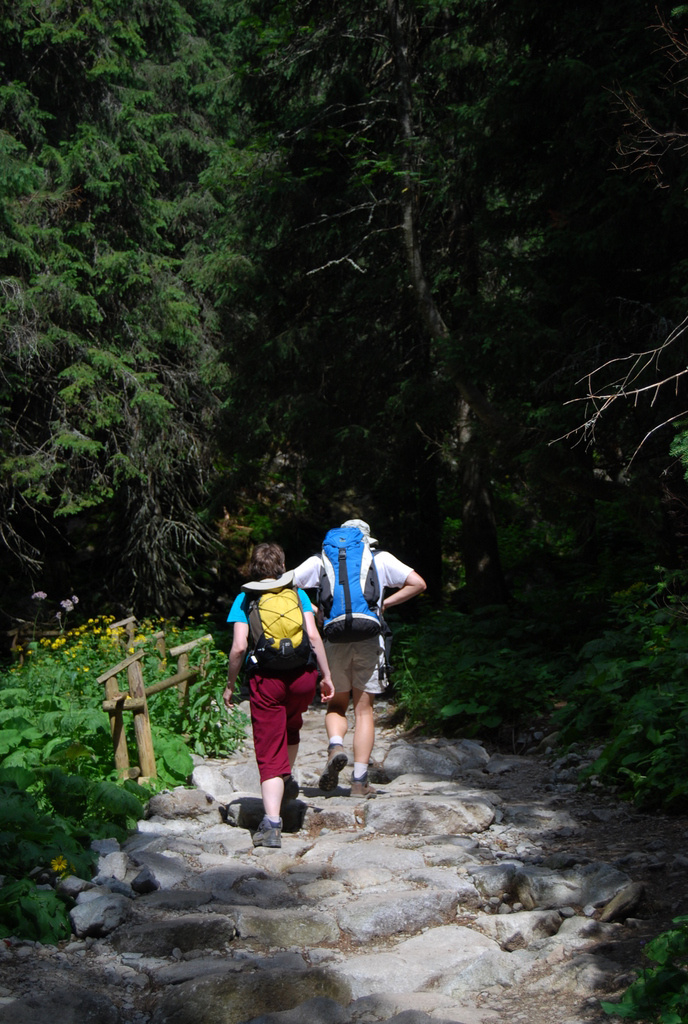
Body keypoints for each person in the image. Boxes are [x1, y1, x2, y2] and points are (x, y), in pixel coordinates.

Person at [293, 519, 426, 796]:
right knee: (364, 710)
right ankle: (359, 781)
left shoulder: (321, 559)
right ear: (366, 541)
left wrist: (316, 610)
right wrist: (383, 605)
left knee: (337, 705)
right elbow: (418, 583)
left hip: (334, 636)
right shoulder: (381, 558)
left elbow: (287, 584)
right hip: (368, 637)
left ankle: (335, 745)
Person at [223, 542, 335, 848]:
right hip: (302, 678)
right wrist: (326, 677)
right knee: (291, 725)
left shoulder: (245, 599)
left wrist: (231, 685)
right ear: (282, 566)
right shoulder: (297, 594)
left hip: (266, 680)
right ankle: (285, 780)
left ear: (253, 569)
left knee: (269, 747)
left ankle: (272, 823)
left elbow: (239, 647)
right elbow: (313, 636)